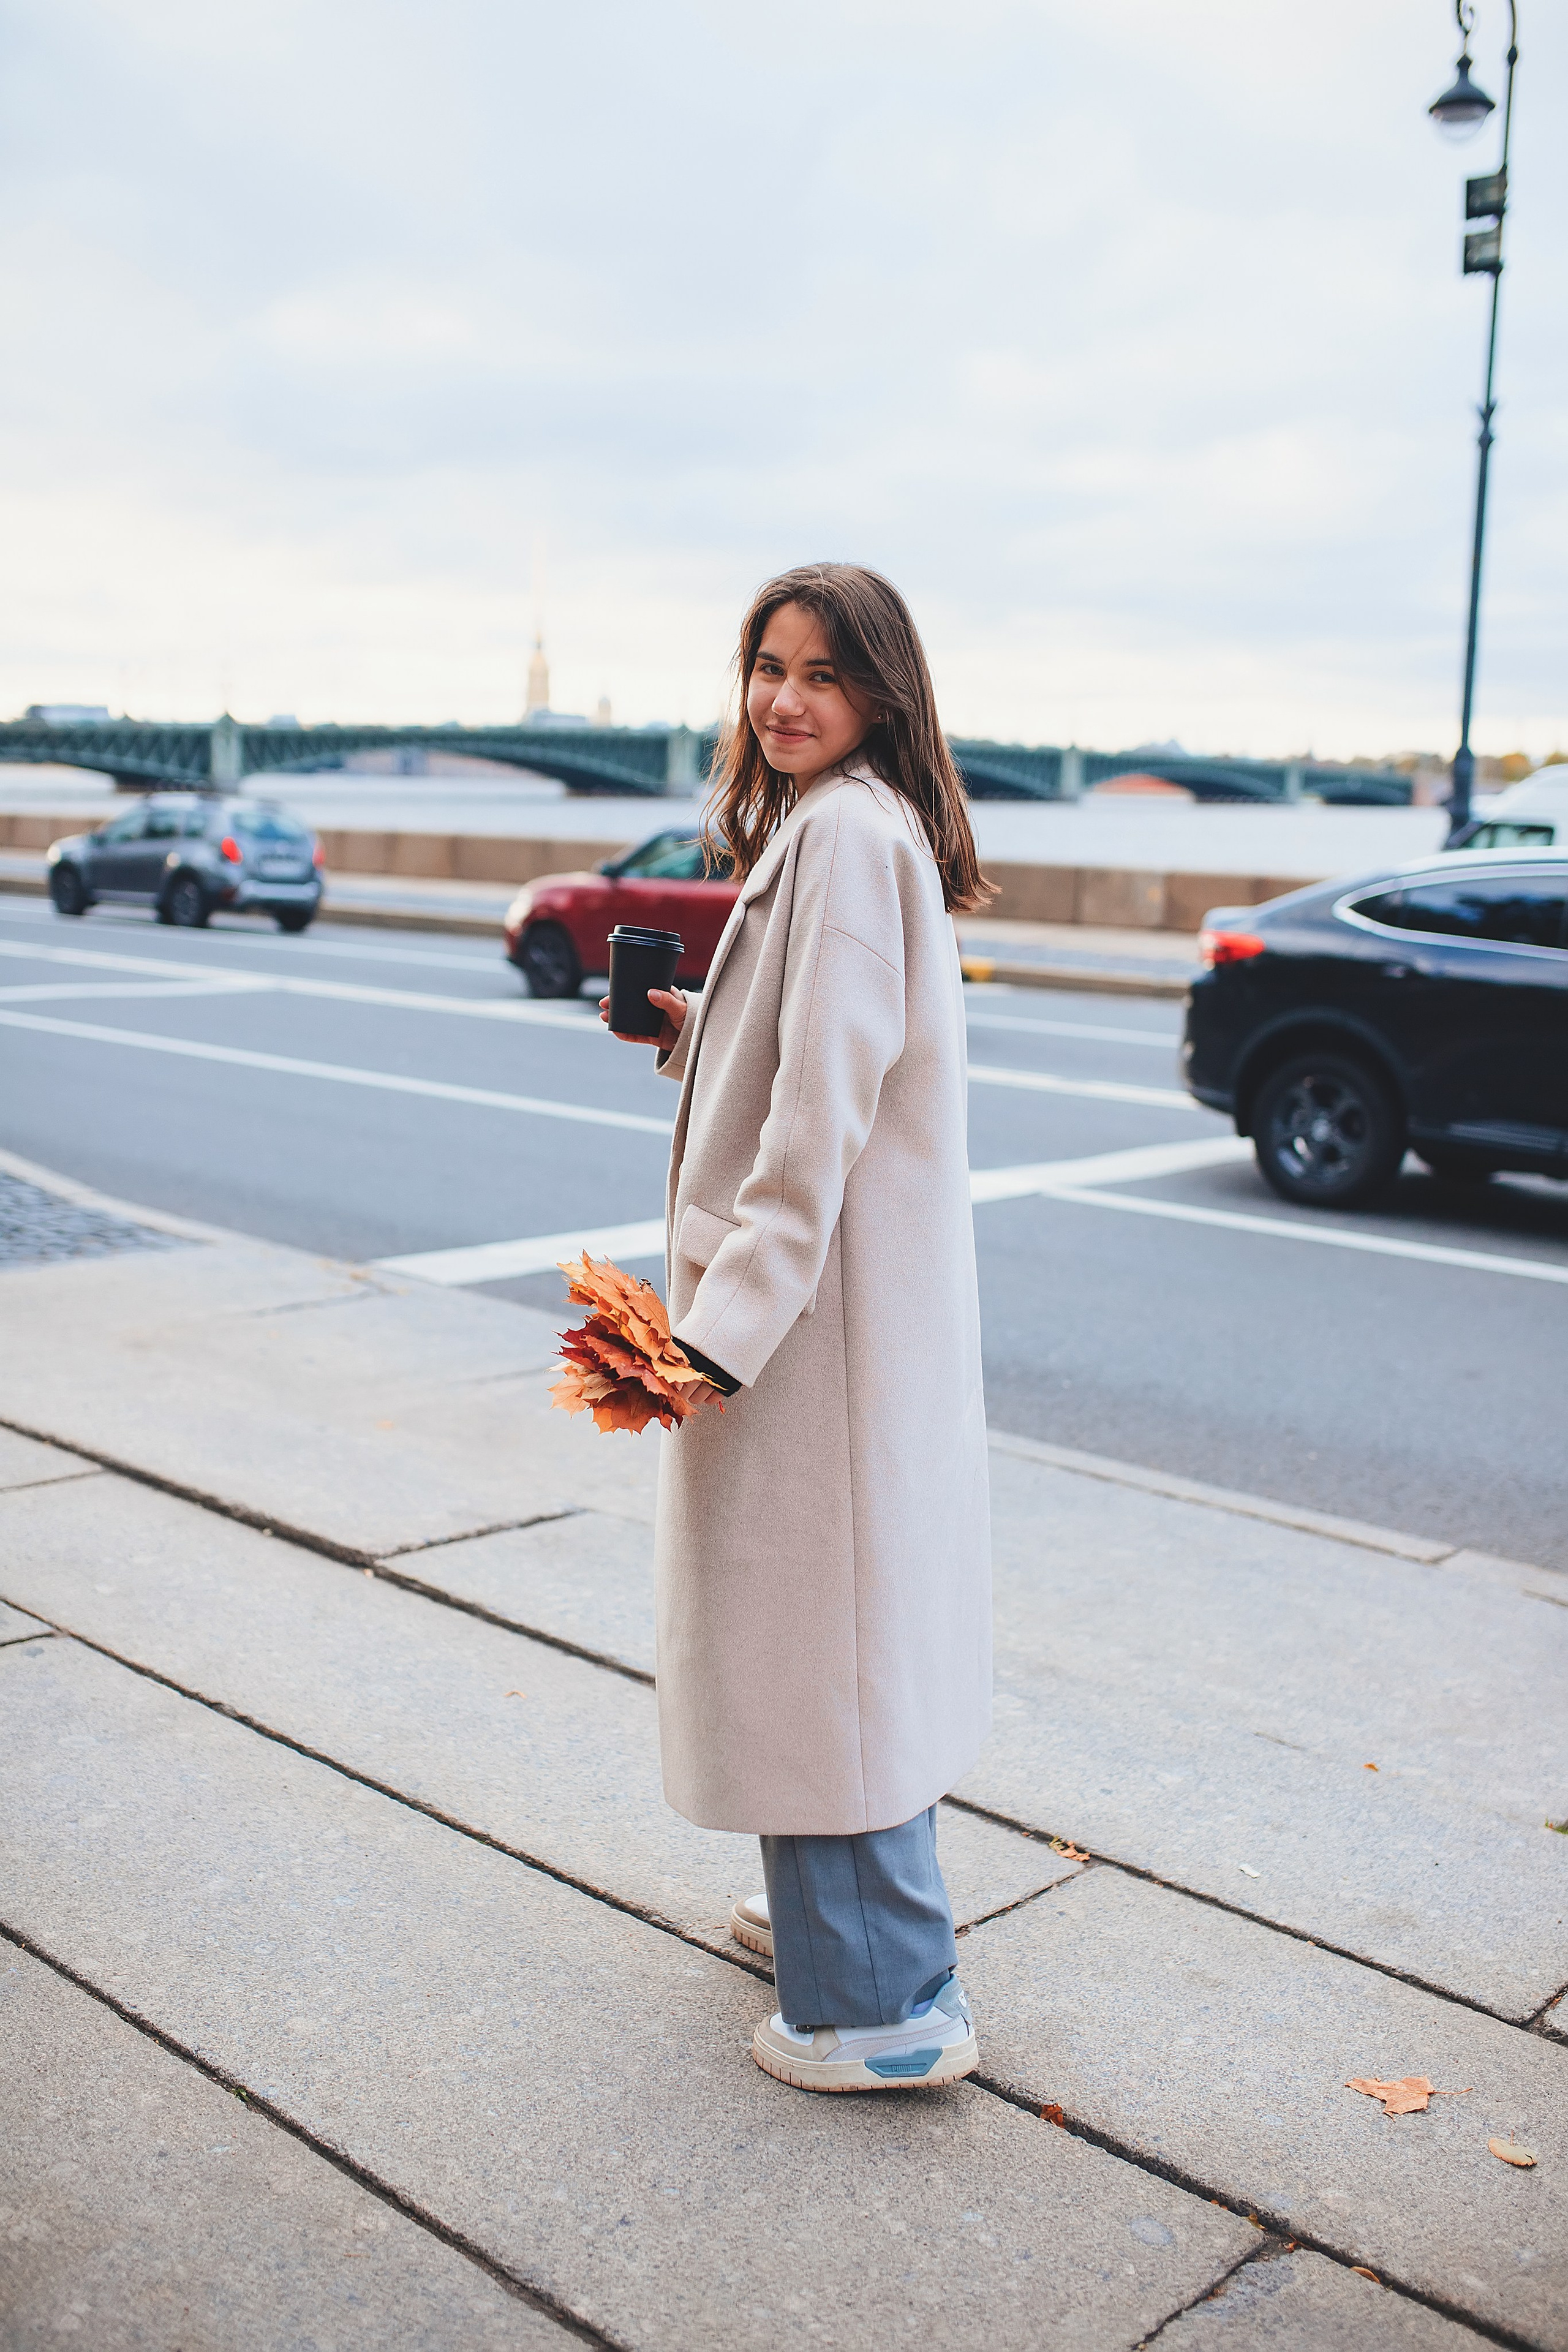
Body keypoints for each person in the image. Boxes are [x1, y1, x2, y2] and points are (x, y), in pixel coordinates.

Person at [601, 562, 993, 2092]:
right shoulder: (862, 827)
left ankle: (883, 2009)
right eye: (765, 665)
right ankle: (836, 1927)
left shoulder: (836, 837)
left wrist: (721, 1325)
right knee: (839, 1643)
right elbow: (821, 1059)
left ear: (879, 695)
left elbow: (820, 1113)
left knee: (814, 1648)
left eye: (819, 674)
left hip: (804, 1326)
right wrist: (692, 1029)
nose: (779, 699)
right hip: (840, 1321)